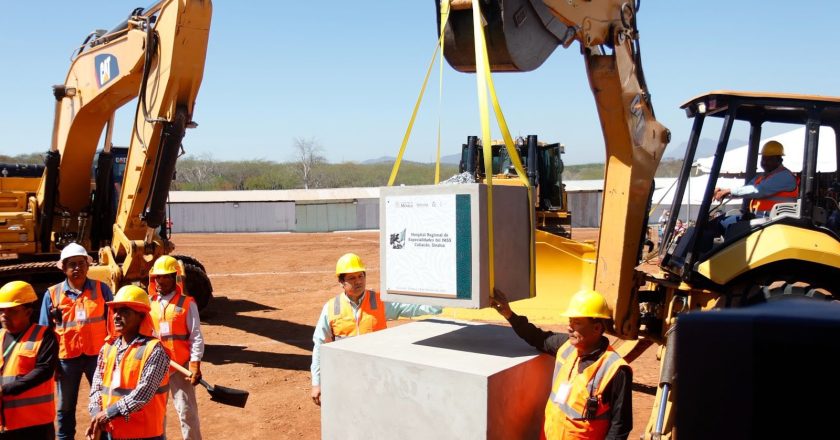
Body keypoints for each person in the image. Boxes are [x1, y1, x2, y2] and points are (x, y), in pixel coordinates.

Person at [491, 288, 632, 440]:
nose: (569, 327)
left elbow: (620, 427)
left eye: (576, 322)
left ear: (597, 328)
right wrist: (509, 314)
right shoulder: (566, 346)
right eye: (570, 321)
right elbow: (536, 337)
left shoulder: (615, 370)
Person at [310, 252, 442, 406]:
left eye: (361, 276)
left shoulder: (379, 301)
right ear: (341, 282)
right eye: (352, 278)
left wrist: (440, 304)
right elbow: (319, 345)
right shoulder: (331, 307)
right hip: (346, 375)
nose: (358, 281)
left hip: (377, 375)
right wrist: (316, 382)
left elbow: (411, 307)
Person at [39, 243, 114, 440]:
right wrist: (49, 363)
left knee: (102, 404)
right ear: (64, 268)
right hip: (66, 360)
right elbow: (44, 333)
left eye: (81, 263)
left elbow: (114, 324)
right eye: (72, 264)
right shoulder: (52, 294)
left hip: (98, 359)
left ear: (88, 266)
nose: (77, 268)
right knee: (65, 408)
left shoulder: (102, 290)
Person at [86, 285, 170, 440]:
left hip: (144, 434)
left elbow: (143, 393)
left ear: (141, 316)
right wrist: (96, 413)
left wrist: (108, 414)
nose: (117, 315)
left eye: (124, 311)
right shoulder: (108, 348)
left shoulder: (154, 350)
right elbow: (97, 386)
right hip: (111, 432)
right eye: (115, 310)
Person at [148, 256, 204, 440]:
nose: (160, 281)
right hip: (156, 368)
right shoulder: (148, 303)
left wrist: (194, 364)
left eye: (165, 277)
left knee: (187, 413)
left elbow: (196, 335)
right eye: (158, 277)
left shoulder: (187, 303)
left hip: (181, 367)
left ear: (175, 278)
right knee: (156, 414)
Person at [0, 281, 58, 440]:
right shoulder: (0, 336)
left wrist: (5, 389)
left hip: (34, 425)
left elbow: (44, 370)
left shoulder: (44, 336)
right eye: (1, 310)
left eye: (11, 310)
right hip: (4, 424)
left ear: (28, 312)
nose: (4, 315)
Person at [713, 140, 798, 228]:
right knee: (720, 222)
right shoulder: (762, 176)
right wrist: (722, 191)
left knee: (727, 226)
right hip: (760, 219)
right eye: (763, 159)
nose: (764, 162)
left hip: (775, 222)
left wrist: (729, 191)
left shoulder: (784, 176)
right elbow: (745, 190)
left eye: (769, 159)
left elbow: (759, 190)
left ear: (779, 160)